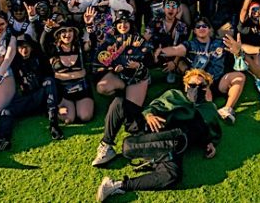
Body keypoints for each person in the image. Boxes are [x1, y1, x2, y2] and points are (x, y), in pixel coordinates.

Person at [94, 69, 223, 201]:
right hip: (151, 127)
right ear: (185, 86)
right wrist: (149, 115)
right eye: (192, 85)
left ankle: (117, 185)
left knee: (172, 176)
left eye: (201, 86)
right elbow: (154, 106)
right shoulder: (174, 95)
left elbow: (212, 130)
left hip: (172, 143)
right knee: (120, 103)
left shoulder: (209, 109)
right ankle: (106, 144)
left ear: (207, 87)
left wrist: (210, 143)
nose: (196, 89)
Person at [0, 37, 63, 151]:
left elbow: (53, 81)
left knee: (49, 81)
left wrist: (58, 105)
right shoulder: (15, 61)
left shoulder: (40, 58)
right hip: (27, 98)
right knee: (6, 111)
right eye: (21, 47)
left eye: (27, 46)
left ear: (32, 47)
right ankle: (1, 139)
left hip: (42, 97)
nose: (24, 50)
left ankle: (54, 124)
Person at [154, 16, 245, 123]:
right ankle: (199, 113)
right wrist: (161, 51)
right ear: (194, 30)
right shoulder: (190, 44)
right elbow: (176, 50)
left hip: (218, 81)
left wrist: (239, 50)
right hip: (198, 83)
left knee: (239, 77)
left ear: (210, 29)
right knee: (202, 92)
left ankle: (227, 109)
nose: (201, 28)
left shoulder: (220, 43)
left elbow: (241, 49)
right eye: (198, 27)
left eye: (204, 26)